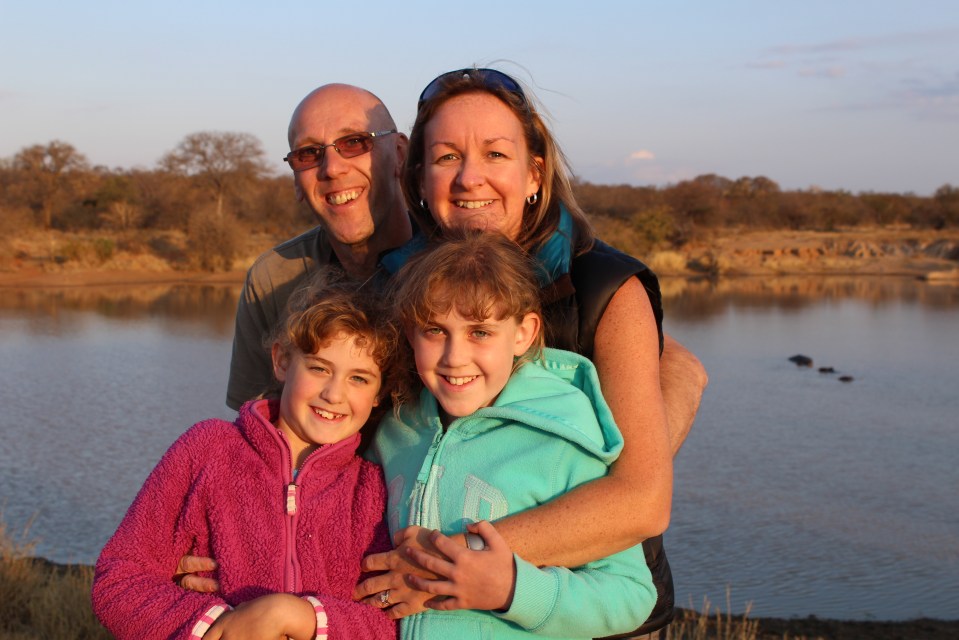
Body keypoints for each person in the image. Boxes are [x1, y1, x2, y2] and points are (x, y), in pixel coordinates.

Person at [350, 68, 695, 639]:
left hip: (591, 616)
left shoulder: (605, 288)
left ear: (535, 172)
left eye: (494, 154)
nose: (469, 178)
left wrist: (443, 564)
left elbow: (641, 500)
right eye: (445, 158)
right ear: (419, 178)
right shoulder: (399, 286)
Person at [369, 231, 657, 639]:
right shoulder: (393, 431)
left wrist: (513, 590)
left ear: (523, 333)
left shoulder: (562, 442)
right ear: (410, 332)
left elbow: (630, 594)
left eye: (480, 332)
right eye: (434, 330)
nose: (454, 357)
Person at [93, 273, 400, 640]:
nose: (334, 394)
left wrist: (298, 616)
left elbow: (387, 621)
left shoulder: (372, 489)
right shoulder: (207, 449)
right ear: (282, 361)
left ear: (380, 393)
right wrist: (214, 623)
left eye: (359, 379)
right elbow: (120, 576)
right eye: (319, 368)